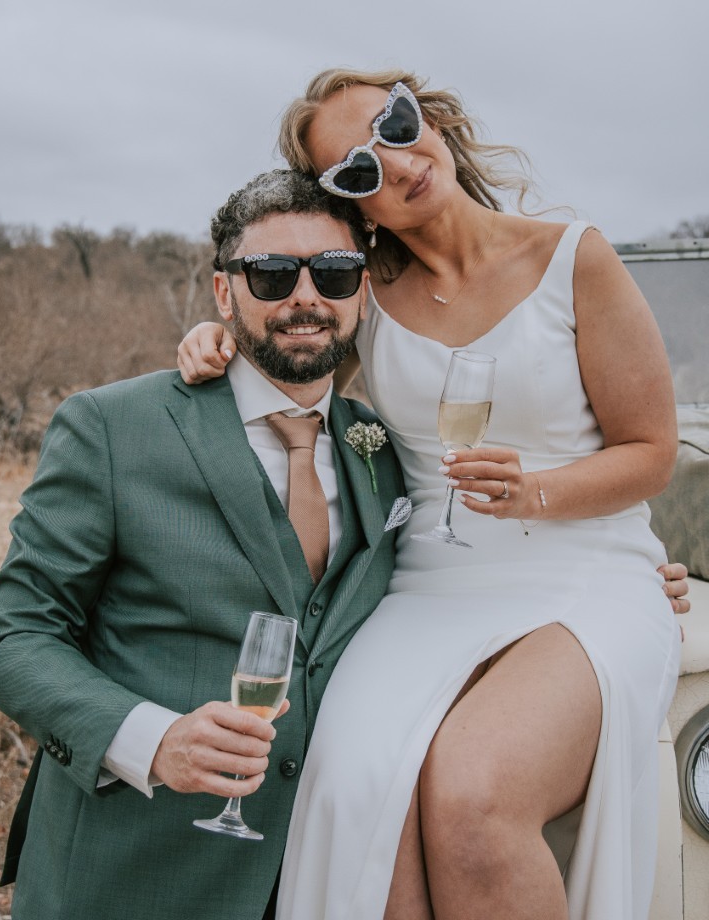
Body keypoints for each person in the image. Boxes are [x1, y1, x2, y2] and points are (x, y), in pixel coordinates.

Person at [177, 69, 687, 920]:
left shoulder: (575, 257)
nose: (396, 162)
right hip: (427, 586)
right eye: (357, 170)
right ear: (352, 206)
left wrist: (535, 493)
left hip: (588, 572)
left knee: (475, 791)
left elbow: (652, 452)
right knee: (360, 788)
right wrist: (218, 335)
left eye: (396, 124)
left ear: (433, 118)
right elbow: (289, 364)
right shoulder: (365, 296)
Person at [0, 169, 407, 920]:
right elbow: (14, 638)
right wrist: (154, 740)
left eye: (334, 272)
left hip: (325, 877)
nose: (306, 296)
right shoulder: (111, 427)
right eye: (272, 274)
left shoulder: (389, 449)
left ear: (362, 292)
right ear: (224, 294)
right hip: (132, 870)